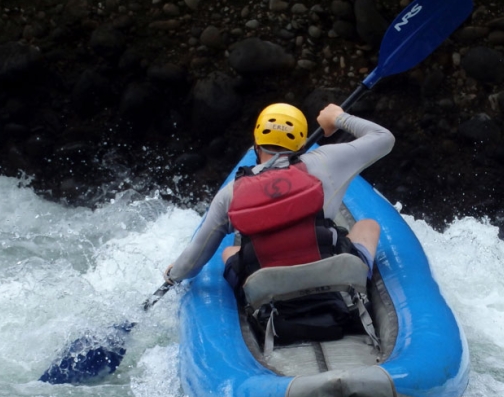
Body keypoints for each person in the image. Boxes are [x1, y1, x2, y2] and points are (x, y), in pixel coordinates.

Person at [164, 102, 395, 292]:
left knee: (230, 251)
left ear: (256, 143)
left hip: (269, 291)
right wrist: (338, 117)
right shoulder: (327, 160)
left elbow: (193, 261)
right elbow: (384, 137)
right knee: (367, 225)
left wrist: (173, 274)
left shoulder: (230, 194)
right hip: (334, 276)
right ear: (302, 143)